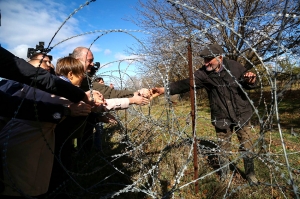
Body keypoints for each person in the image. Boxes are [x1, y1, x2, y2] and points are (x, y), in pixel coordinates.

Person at [152, 44, 258, 185]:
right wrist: (164, 89)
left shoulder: (235, 67)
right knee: (223, 148)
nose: (206, 63)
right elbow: (184, 84)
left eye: (209, 60)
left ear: (219, 58)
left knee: (247, 146)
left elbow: (249, 82)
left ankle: (251, 175)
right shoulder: (203, 74)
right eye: (204, 60)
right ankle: (224, 175)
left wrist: (251, 80)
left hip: (242, 114)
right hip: (221, 117)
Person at [0, 57, 92, 198]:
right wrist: (85, 99)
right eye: (45, 63)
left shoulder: (30, 88)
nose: (50, 65)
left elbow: (11, 107)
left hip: (11, 140)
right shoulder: (58, 91)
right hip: (28, 149)